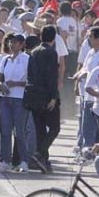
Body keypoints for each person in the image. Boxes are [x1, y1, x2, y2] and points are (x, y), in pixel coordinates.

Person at [26, 26, 61, 173]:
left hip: (33, 94)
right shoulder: (51, 53)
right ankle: (39, 153)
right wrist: (54, 97)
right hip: (46, 94)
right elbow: (52, 76)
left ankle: (44, 161)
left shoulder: (33, 52)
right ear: (54, 38)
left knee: (40, 129)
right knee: (54, 127)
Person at [0, 33, 30, 173]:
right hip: (5, 98)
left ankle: (24, 161)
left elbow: (29, 81)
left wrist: (14, 83)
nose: (12, 44)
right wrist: (1, 85)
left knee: (19, 131)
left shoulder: (27, 59)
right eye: (11, 42)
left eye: (15, 42)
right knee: (5, 130)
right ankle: (5, 160)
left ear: (21, 45)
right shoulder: (5, 59)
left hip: (19, 98)